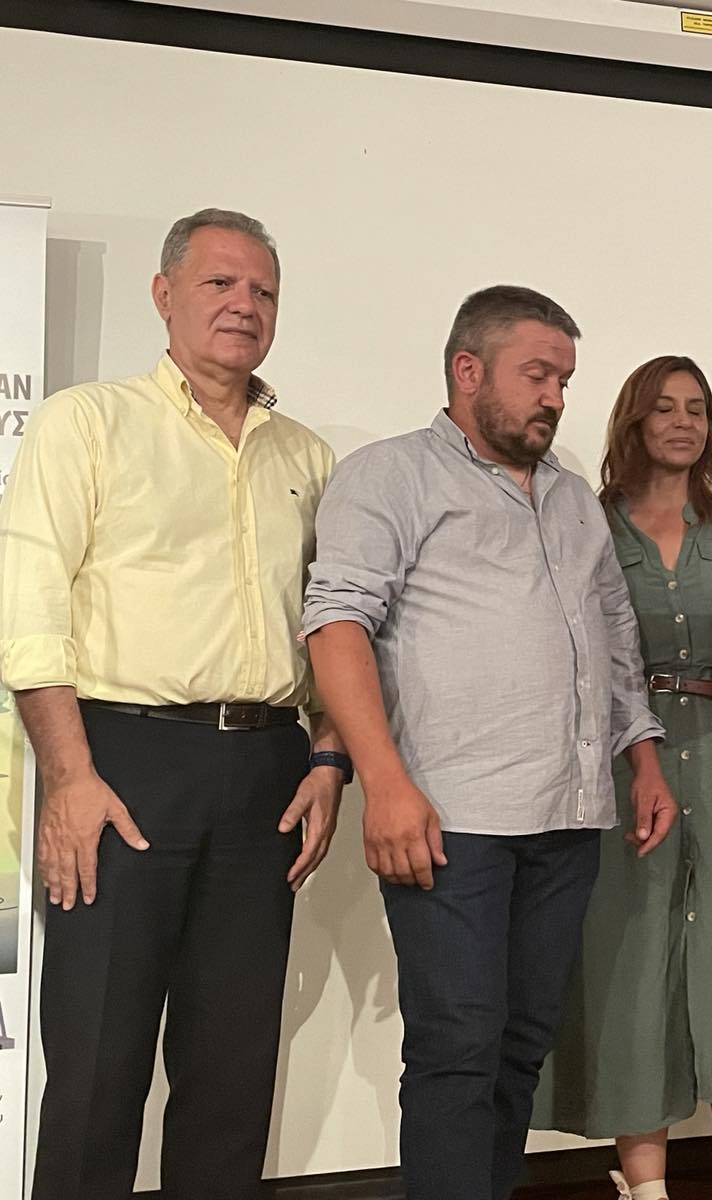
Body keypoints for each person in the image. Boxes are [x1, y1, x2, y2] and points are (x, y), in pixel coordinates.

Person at [0, 209, 346, 1200]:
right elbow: (28, 605)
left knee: (232, 1070)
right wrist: (69, 776)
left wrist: (329, 756)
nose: (244, 305)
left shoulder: (306, 457)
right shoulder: (87, 422)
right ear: (163, 295)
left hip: (268, 767)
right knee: (97, 1062)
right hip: (122, 761)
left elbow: (337, 626)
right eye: (219, 283)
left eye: (263, 290)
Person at [302, 286, 676, 1200]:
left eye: (565, 381)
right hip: (449, 820)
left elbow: (614, 636)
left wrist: (643, 757)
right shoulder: (389, 475)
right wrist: (383, 784)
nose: (555, 397)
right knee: (457, 1051)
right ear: (468, 370)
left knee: (518, 1051)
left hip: (568, 816)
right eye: (537, 375)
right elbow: (337, 625)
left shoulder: (573, 499)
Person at [532, 356, 712, 1200]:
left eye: (697, 408)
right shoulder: (588, 525)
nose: (684, 421)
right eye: (665, 407)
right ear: (634, 420)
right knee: (630, 963)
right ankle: (644, 1190)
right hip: (625, 766)